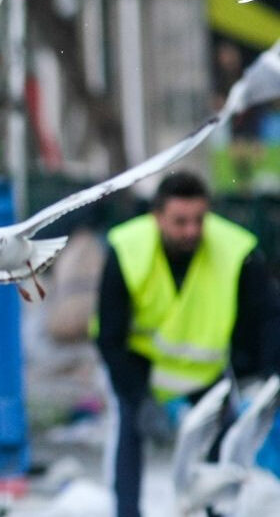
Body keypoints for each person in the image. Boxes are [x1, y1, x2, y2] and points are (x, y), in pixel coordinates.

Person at [94, 171, 280, 517]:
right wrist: (138, 398)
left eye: (199, 220)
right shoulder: (127, 249)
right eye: (180, 222)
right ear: (157, 216)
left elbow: (270, 317)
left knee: (225, 446)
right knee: (128, 433)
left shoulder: (236, 249)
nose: (191, 231)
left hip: (205, 372)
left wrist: (271, 376)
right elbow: (109, 338)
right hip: (140, 366)